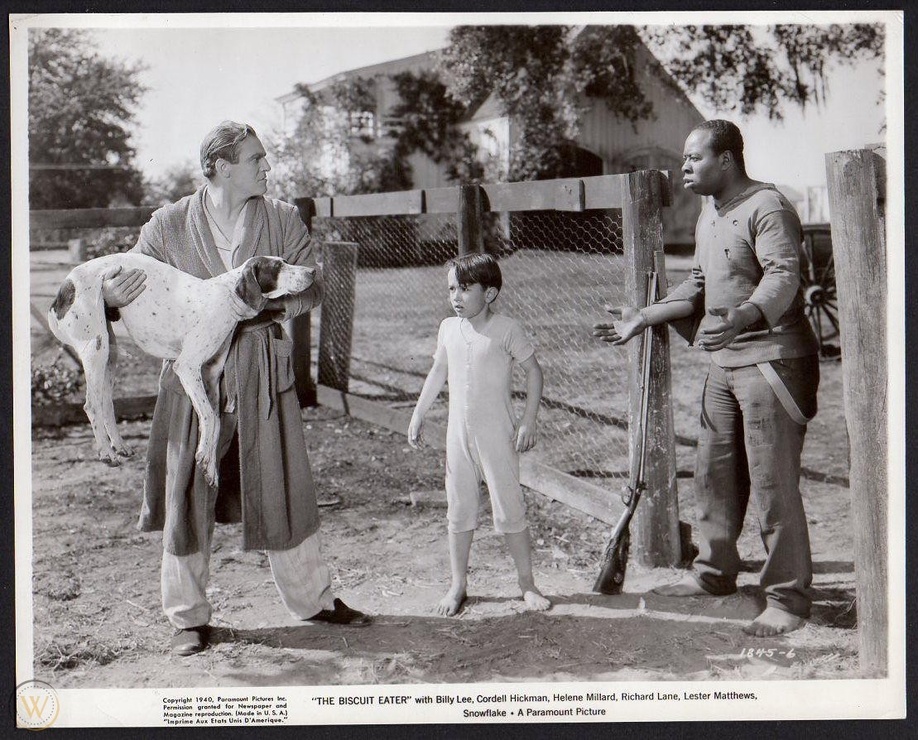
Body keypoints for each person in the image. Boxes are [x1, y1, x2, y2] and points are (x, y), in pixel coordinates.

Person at [102, 120, 371, 656]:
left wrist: (254, 313)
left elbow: (313, 283)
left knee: (282, 481)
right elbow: (128, 280)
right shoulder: (169, 224)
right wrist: (110, 295)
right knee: (186, 489)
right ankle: (188, 618)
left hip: (261, 372)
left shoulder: (280, 219)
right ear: (220, 167)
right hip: (193, 377)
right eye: (256, 159)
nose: (267, 167)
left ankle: (314, 600)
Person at [593, 120, 820, 637]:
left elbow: (784, 274)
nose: (685, 168)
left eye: (694, 158)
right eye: (684, 159)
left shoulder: (768, 207)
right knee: (713, 475)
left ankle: (787, 599)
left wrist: (743, 316)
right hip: (726, 364)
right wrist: (644, 316)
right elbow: (699, 282)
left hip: (774, 361)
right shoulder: (708, 212)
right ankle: (715, 574)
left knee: (772, 483)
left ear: (727, 160)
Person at [408, 253, 551, 616]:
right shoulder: (448, 328)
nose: (455, 296)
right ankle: (458, 583)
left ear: (489, 294)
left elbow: (534, 372)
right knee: (458, 508)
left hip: (497, 436)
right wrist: (419, 412)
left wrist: (528, 421)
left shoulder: (506, 329)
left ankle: (527, 584)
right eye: (451, 288)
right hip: (458, 437)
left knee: (509, 507)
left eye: (465, 289)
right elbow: (438, 371)